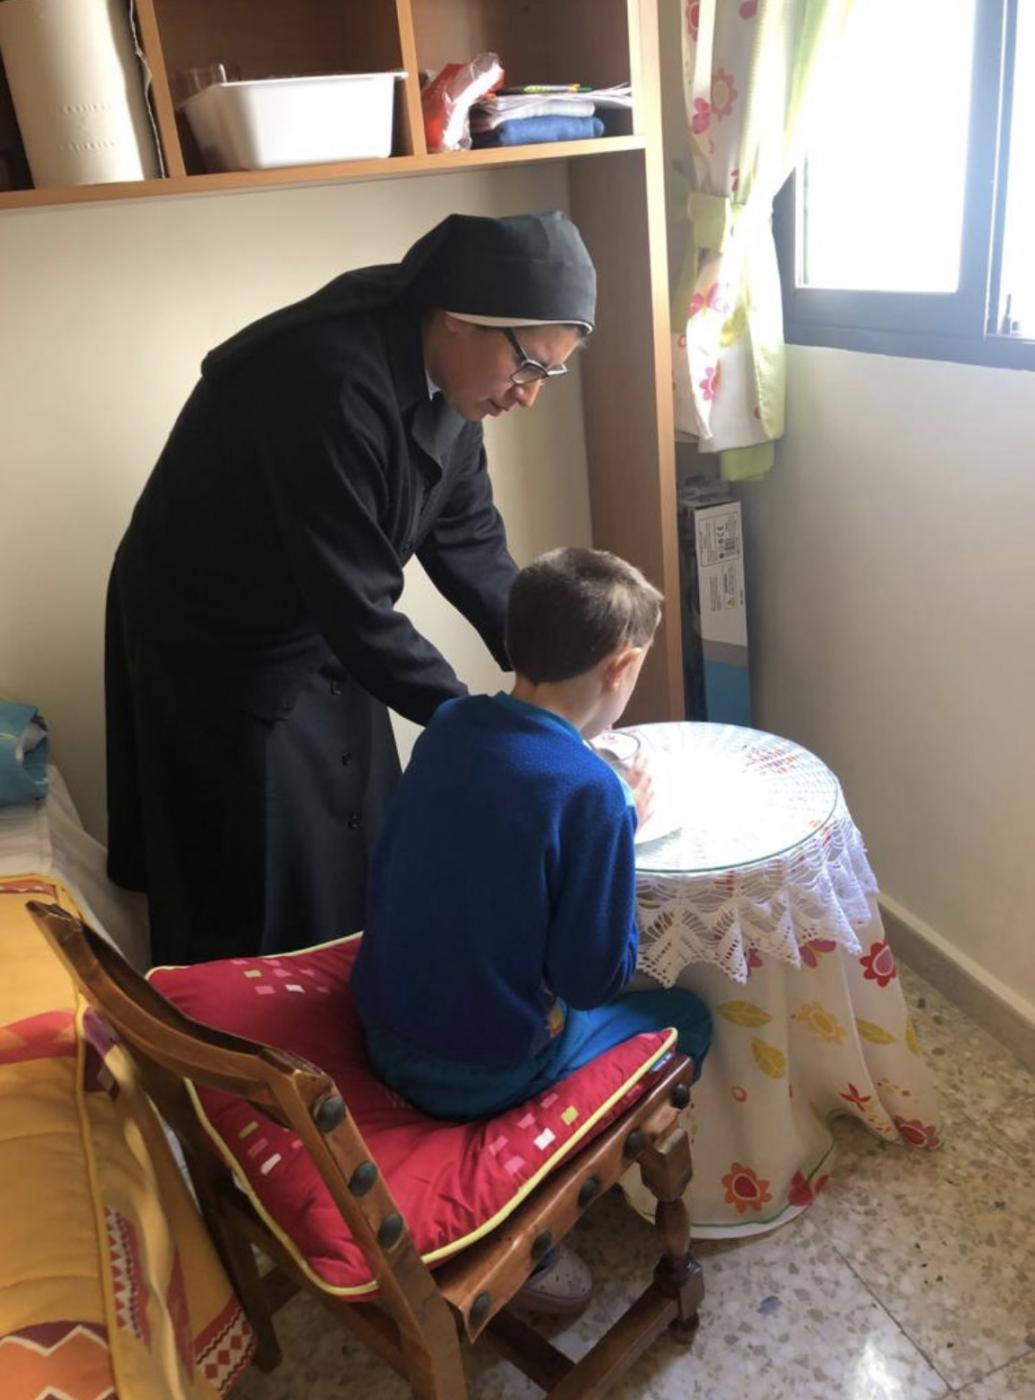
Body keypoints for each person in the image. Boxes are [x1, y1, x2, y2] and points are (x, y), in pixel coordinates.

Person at [105, 211, 596, 966]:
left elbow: (469, 541)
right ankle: (247, 1059)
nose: (528, 395)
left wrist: (561, 666)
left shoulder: (457, 387)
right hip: (220, 642)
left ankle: (345, 996)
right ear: (463, 322)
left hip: (326, 617)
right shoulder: (326, 380)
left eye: (548, 374)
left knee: (361, 835)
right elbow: (358, 607)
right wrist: (498, 734)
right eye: (529, 366)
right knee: (252, 878)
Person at [351, 548, 713, 1307]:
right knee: (684, 1014)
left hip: (381, 1025)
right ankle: (536, 1219)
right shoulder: (590, 794)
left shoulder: (449, 723)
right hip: (478, 1072)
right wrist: (620, 813)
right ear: (621, 667)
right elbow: (592, 977)